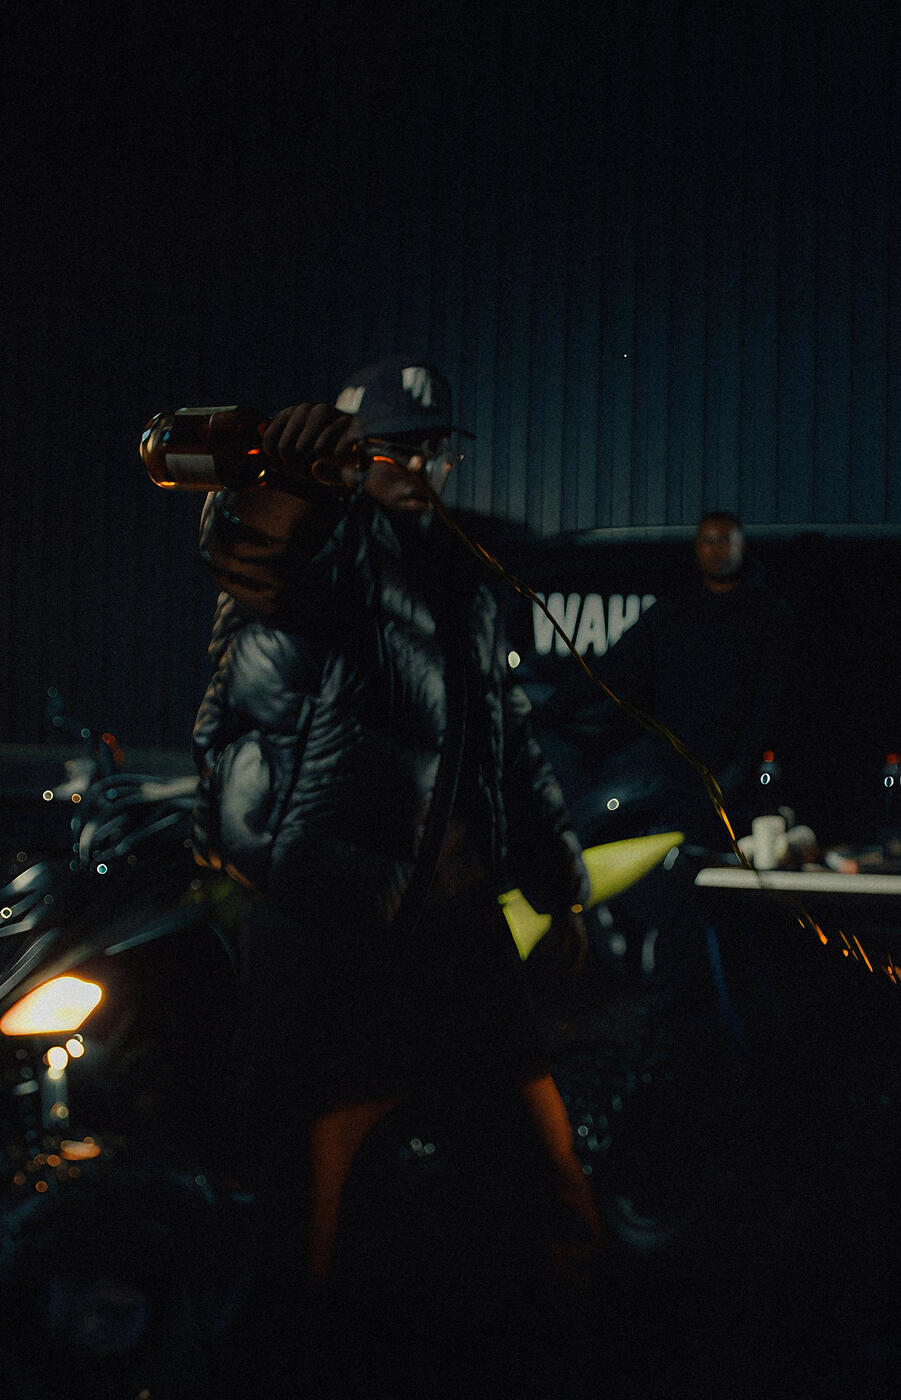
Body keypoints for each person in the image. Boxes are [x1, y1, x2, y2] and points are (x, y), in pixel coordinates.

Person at [190, 355, 598, 1391]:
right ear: (349, 454)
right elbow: (255, 552)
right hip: (332, 916)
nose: (417, 467)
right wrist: (286, 479)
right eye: (393, 448)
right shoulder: (328, 550)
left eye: (431, 448)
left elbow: (507, 740)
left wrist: (558, 881)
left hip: (455, 918)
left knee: (547, 1173)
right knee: (314, 1204)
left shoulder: (459, 572)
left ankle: (554, 1351)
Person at [541, 510, 796, 844]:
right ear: (697, 549)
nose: (716, 549)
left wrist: (738, 769)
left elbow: (771, 701)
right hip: (676, 780)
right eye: (708, 541)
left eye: (725, 540)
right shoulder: (673, 613)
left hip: (742, 786)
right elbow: (610, 669)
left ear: (742, 546)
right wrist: (547, 713)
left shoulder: (770, 615)